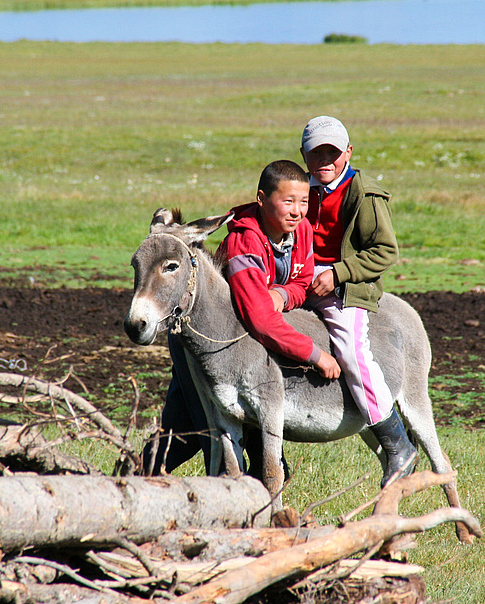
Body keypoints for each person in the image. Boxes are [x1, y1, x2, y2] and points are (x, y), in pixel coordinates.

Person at [140, 159, 341, 477]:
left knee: (187, 425)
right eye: (288, 201)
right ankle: (136, 485)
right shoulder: (242, 244)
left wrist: (283, 295)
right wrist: (315, 355)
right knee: (205, 433)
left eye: (303, 202)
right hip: (207, 338)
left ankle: (134, 479)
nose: (297, 210)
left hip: (240, 336)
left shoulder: (298, 229)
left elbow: (300, 283)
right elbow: (260, 318)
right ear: (262, 199)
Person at [299, 115, 418, 487]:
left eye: (332, 152)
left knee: (351, 352)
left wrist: (337, 273)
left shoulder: (363, 194)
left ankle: (396, 441)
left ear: (348, 152)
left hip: (346, 287)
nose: (325, 160)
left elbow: (385, 251)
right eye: (316, 152)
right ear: (304, 156)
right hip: (301, 282)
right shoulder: (300, 188)